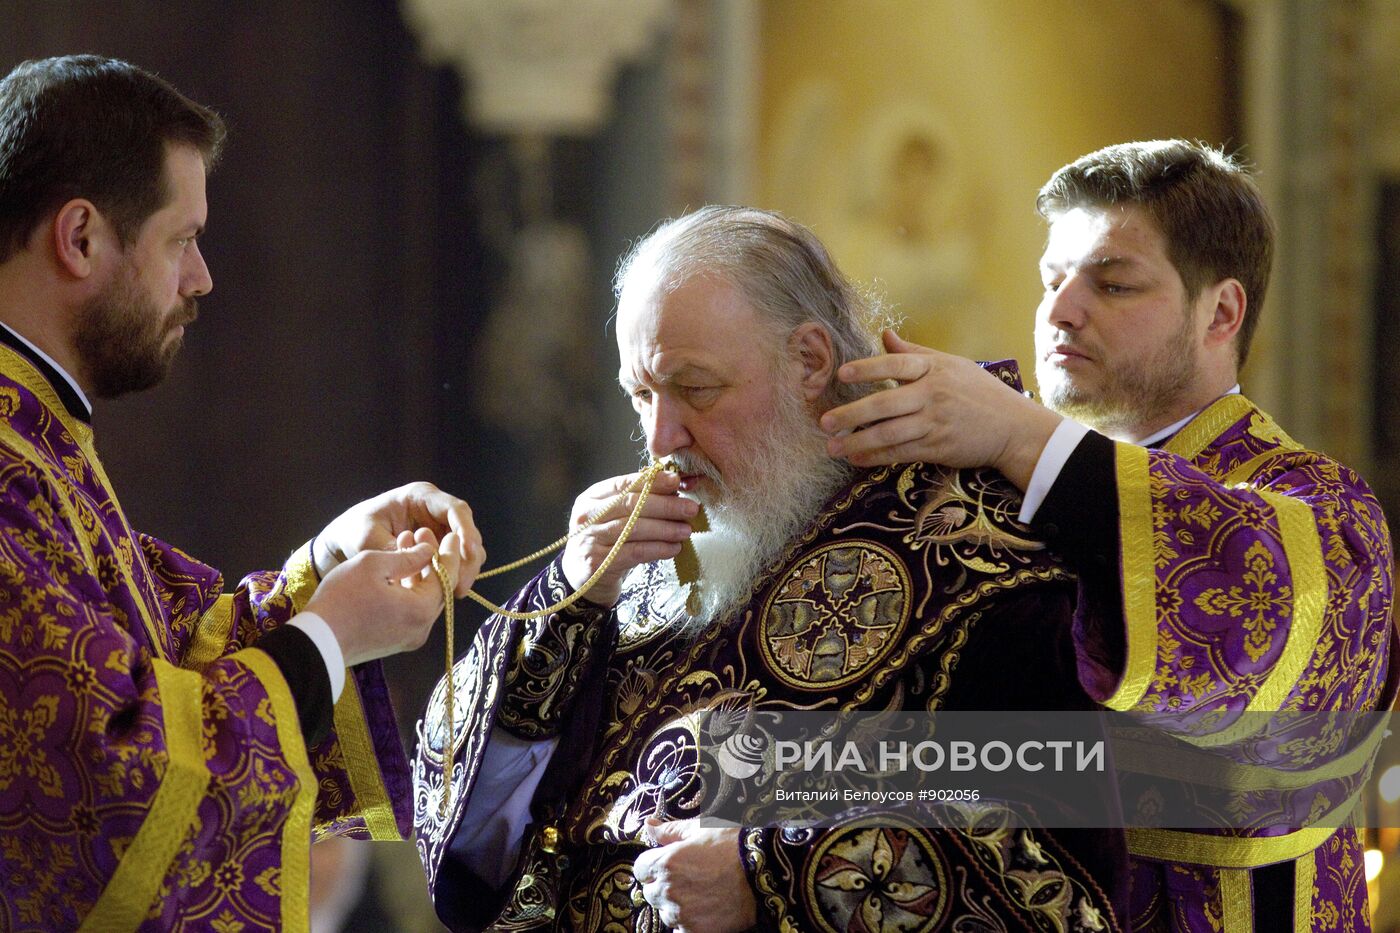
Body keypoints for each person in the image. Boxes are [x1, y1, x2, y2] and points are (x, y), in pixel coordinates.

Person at [413, 205, 1127, 931]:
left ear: (810, 361)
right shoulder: (637, 560)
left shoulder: (973, 552)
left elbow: (1059, 873)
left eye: (695, 388)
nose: (662, 437)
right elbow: (476, 833)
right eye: (641, 394)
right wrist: (571, 598)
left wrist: (772, 872)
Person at [820, 139, 1396, 932]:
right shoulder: (988, 489)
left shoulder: (1324, 511)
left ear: (1220, 313)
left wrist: (1027, 438)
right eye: (1051, 280)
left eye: (1113, 283)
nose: (1060, 310)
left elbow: (1246, 628)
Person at [0, 55, 485, 930]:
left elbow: (157, 666)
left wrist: (325, 566)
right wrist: (332, 633)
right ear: (79, 238)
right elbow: (114, 795)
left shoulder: (39, 437)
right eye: (181, 240)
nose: (201, 278)